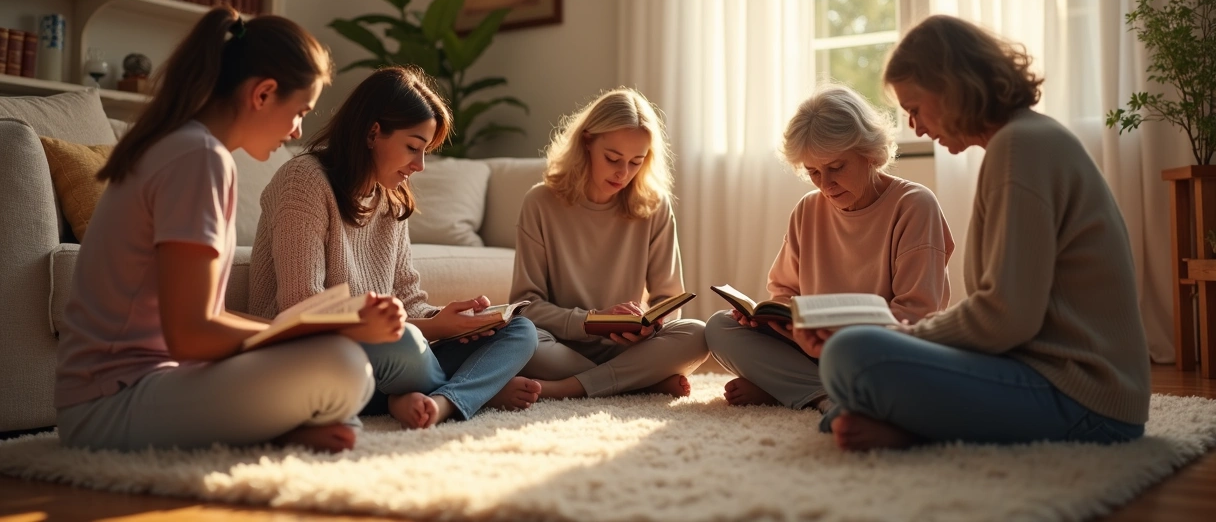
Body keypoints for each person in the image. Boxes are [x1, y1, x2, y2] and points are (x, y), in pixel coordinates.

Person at [800, 14, 1151, 451]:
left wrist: (902, 337)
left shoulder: (1020, 148)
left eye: (914, 107)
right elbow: (1008, 317)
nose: (915, 126)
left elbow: (1005, 318)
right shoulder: (1024, 140)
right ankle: (903, 422)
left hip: (1087, 401)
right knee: (853, 359)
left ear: (951, 88)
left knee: (850, 354)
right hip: (1065, 384)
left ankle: (912, 427)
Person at [56, 7, 399, 453]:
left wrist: (301, 331)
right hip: (109, 403)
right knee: (346, 366)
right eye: (299, 112)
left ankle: (272, 427)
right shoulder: (198, 158)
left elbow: (196, 329)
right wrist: (334, 329)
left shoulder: (187, 148)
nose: (297, 130)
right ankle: (274, 426)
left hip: (147, 382)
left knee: (339, 366)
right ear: (263, 93)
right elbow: (193, 335)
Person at [250, 66, 540, 429]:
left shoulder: (389, 199)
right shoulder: (303, 181)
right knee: (405, 342)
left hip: (386, 352)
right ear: (373, 132)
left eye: (425, 153)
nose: (419, 166)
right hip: (313, 355)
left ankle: (437, 400)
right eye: (413, 148)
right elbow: (301, 310)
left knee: (520, 331)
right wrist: (432, 331)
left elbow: (408, 300)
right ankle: (471, 391)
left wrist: (448, 320)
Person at [704, 84, 954, 411]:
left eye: (836, 167)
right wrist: (771, 318)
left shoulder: (914, 205)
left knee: (900, 370)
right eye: (813, 172)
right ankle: (823, 394)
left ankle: (787, 386)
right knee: (720, 327)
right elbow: (784, 291)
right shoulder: (808, 208)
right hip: (812, 347)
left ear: (870, 154)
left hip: (876, 349)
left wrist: (836, 334)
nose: (825, 184)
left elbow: (917, 316)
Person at [510, 88, 709, 399]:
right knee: (519, 338)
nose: (623, 173)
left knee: (697, 334)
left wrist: (650, 327)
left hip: (630, 348)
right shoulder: (540, 202)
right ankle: (638, 382)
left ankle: (571, 387)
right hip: (563, 345)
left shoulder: (655, 205)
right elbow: (525, 306)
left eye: (636, 162)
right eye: (613, 158)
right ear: (587, 141)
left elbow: (669, 301)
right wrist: (589, 323)